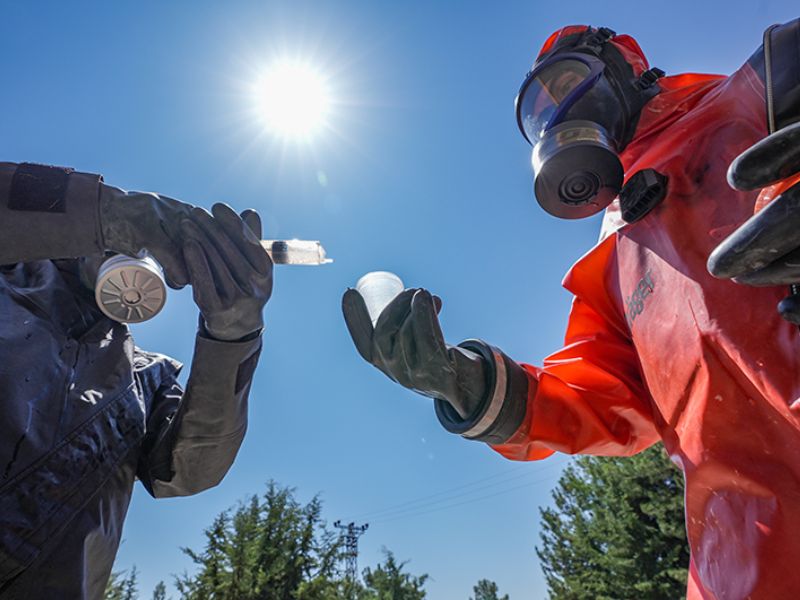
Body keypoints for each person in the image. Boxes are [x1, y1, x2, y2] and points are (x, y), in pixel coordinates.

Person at [343, 19, 800, 599]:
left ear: (627, 64)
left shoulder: (765, 85)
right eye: (542, 111)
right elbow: (601, 400)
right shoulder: (616, 254)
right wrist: (464, 382)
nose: (561, 113)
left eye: (567, 82)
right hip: (743, 571)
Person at [0, 162, 272, 599]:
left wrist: (233, 335)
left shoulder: (148, 379)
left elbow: (189, 471)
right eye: (117, 239)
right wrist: (109, 213)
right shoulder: (11, 275)